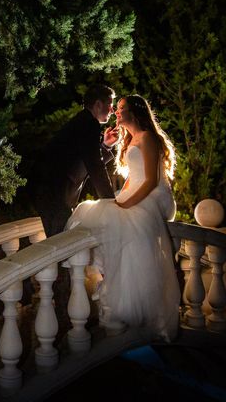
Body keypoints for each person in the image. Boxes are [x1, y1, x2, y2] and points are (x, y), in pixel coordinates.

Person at [64, 94, 180, 342]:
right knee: (93, 209)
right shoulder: (129, 141)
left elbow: (149, 180)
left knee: (120, 217)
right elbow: (131, 179)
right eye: (116, 109)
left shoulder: (148, 137)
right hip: (137, 192)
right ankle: (109, 276)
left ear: (135, 112)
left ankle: (131, 299)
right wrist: (119, 198)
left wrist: (126, 203)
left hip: (155, 195)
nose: (116, 112)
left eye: (121, 108)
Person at [28, 83, 119, 238]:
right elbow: (95, 167)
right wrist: (110, 202)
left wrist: (105, 145)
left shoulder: (83, 121)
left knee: (62, 242)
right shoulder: (89, 124)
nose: (112, 111)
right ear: (98, 104)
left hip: (52, 193)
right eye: (110, 105)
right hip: (53, 193)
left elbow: (84, 161)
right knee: (61, 244)